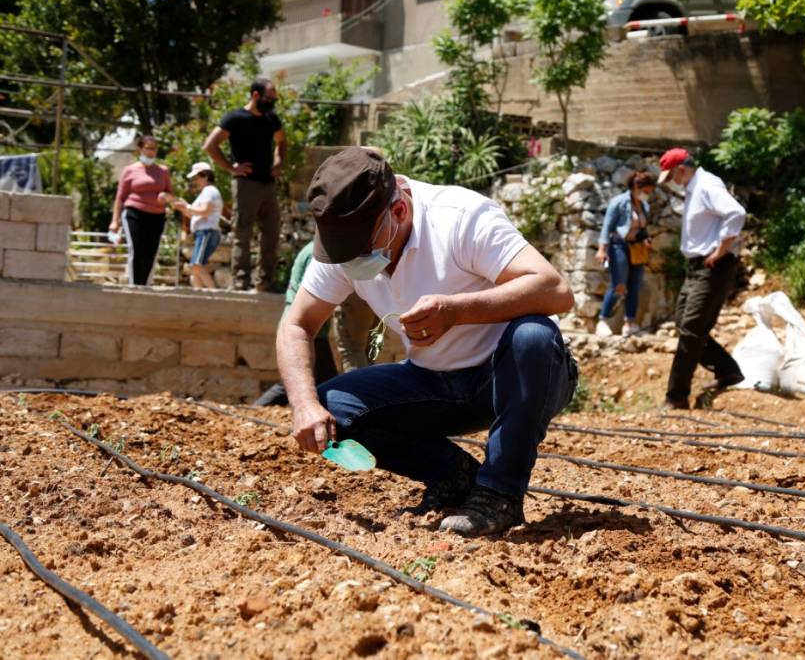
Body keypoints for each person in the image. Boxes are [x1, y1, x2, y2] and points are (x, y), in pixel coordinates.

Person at [277, 147, 577, 537]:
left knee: (533, 336)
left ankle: (499, 494)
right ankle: (454, 474)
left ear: (398, 212)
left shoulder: (460, 218)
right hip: (436, 383)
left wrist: (457, 310)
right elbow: (296, 325)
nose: (353, 262)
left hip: (514, 376)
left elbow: (556, 290)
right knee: (334, 409)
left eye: (361, 250)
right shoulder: (346, 249)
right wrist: (304, 406)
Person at [657, 148, 746, 409]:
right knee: (685, 324)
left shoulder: (707, 185)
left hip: (712, 265)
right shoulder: (695, 187)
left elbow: (736, 213)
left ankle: (676, 397)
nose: (672, 181)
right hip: (697, 267)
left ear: (681, 169)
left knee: (691, 329)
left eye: (672, 175)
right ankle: (727, 370)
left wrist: (721, 250)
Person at [202, 78, 287, 292]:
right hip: (245, 185)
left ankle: (265, 282)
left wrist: (278, 163)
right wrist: (231, 168)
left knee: (271, 233)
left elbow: (282, 141)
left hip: (268, 184)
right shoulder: (235, 118)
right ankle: (240, 282)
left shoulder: (271, 119)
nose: (272, 103)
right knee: (243, 233)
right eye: (269, 98)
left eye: (275, 99)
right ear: (255, 95)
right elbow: (210, 145)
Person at [255, 240, 340, 407]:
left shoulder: (314, 249)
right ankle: (256, 408)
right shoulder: (317, 253)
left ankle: (256, 408)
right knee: (323, 381)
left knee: (307, 379)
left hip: (310, 326)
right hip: (308, 327)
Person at [595, 171, 656, 337]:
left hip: (637, 248)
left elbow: (642, 228)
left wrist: (646, 239)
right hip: (618, 246)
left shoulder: (644, 206)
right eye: (646, 191)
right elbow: (607, 226)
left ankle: (629, 323)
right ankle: (603, 320)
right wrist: (602, 249)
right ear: (637, 187)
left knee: (635, 286)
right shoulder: (619, 202)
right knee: (619, 285)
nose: (648, 194)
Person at [110, 135, 172, 286]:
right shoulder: (129, 170)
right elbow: (120, 197)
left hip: (157, 215)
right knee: (137, 249)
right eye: (149, 148)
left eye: (154, 148)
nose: (152, 152)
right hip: (134, 213)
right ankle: (135, 286)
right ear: (140, 149)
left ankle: (145, 285)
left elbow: (170, 194)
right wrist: (114, 221)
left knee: (151, 252)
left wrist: (168, 199)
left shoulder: (163, 171)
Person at [160, 162, 224, 289]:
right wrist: (183, 207)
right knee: (195, 268)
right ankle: (199, 296)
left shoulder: (210, 191)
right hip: (203, 233)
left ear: (205, 176)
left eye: (197, 178)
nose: (195, 181)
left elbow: (205, 211)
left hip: (207, 232)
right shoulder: (206, 192)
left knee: (196, 265)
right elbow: (195, 215)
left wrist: (187, 207)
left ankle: (215, 293)